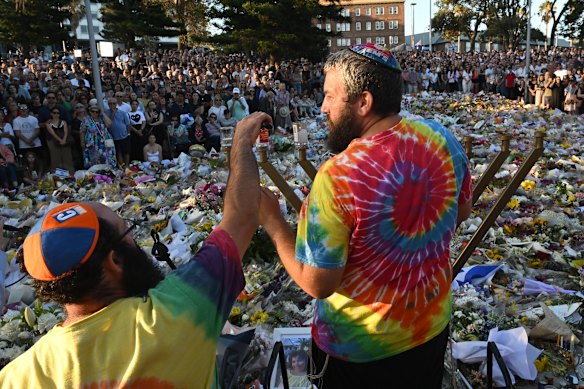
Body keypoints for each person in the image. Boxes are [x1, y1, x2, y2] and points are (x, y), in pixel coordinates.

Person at [0, 111, 270, 388]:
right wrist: (240, 143)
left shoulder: (16, 377)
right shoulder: (176, 309)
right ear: (114, 260)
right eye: (127, 231)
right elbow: (241, 216)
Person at [258, 43, 472, 389]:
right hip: (428, 331)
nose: (323, 107)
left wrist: (272, 222)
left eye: (330, 96)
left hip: (360, 351)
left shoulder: (338, 176)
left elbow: (318, 283)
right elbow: (460, 210)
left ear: (363, 102)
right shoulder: (442, 140)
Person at [45, 107, 74, 174]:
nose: (56, 114)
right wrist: (60, 140)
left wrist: (63, 140)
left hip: (64, 141)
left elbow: (66, 131)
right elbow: (52, 133)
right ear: (51, 114)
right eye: (54, 113)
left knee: (67, 157)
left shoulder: (63, 122)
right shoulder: (48, 123)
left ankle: (70, 174)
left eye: (58, 113)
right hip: (52, 141)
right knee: (55, 158)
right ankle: (57, 175)